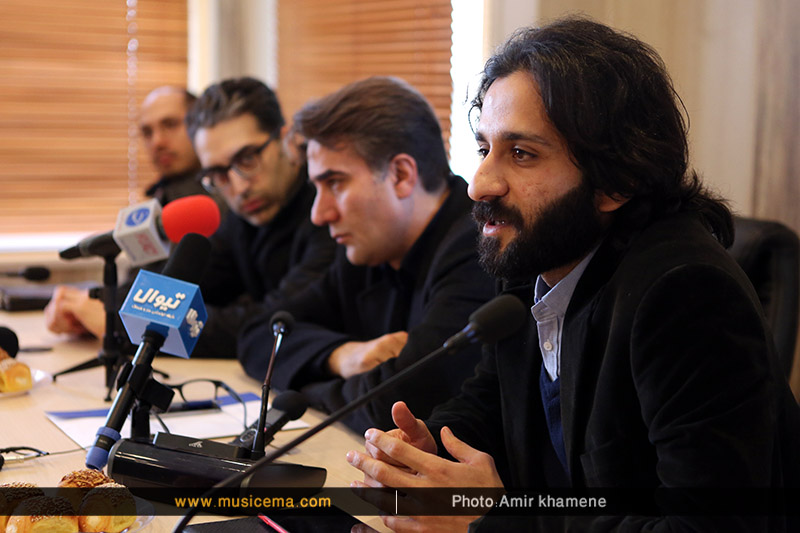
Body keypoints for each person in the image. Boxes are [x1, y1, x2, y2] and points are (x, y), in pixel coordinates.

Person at [346, 17, 800, 532]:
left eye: (521, 154)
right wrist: (432, 449)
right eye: (484, 149)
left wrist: (492, 523)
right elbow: (493, 403)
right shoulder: (537, 259)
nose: (480, 184)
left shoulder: (686, 295)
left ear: (616, 181)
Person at [238, 77, 495, 433]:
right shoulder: (368, 251)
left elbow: (392, 406)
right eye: (317, 188)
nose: (319, 214)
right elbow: (257, 336)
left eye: (335, 183)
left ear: (401, 175)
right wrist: (341, 356)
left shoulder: (479, 248)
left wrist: (303, 392)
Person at [44, 86, 224, 338]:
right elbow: (141, 288)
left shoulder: (219, 203)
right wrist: (89, 308)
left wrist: (114, 322)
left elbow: (176, 298)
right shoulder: (159, 201)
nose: (157, 141)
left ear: (202, 126)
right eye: (147, 132)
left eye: (170, 125)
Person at [184, 77, 337, 357]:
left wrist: (153, 324)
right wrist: (112, 309)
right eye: (218, 173)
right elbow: (185, 286)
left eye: (248, 159)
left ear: (288, 140)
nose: (239, 187)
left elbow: (273, 323)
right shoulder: (241, 219)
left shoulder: (330, 211)